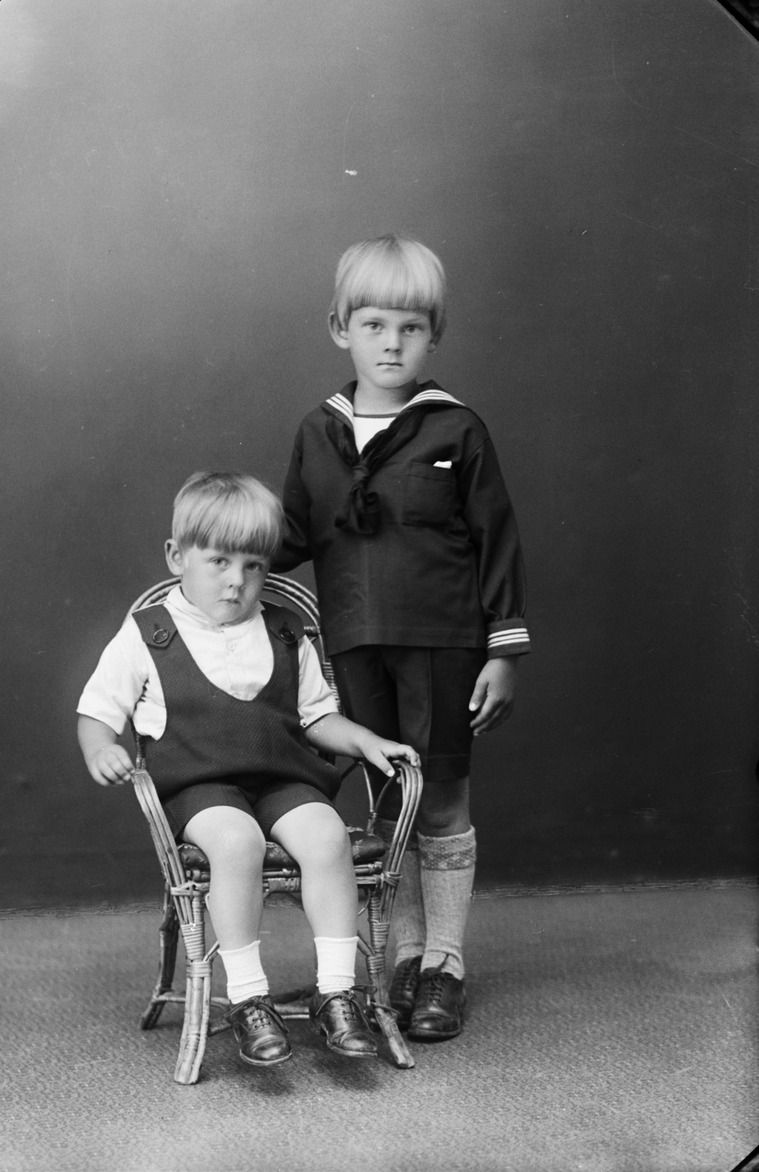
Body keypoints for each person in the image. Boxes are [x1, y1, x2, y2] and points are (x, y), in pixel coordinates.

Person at [272, 234, 530, 1041]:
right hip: (356, 646)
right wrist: (221, 549)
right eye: (375, 325)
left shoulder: (456, 430)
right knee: (391, 803)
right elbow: (290, 535)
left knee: (441, 797)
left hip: (443, 644)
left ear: (434, 335)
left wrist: (502, 651)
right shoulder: (319, 431)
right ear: (340, 328)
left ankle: (445, 964)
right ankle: (408, 956)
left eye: (411, 328)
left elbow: (497, 540)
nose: (392, 343)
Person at [77, 471, 419, 1068]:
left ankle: (337, 991)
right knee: (236, 842)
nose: (237, 581)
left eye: (254, 565)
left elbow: (317, 716)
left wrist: (365, 741)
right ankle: (248, 997)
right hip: (200, 787)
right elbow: (96, 712)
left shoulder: (284, 629)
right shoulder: (149, 634)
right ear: (177, 556)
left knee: (327, 835)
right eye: (219, 562)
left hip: (283, 780)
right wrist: (101, 747)